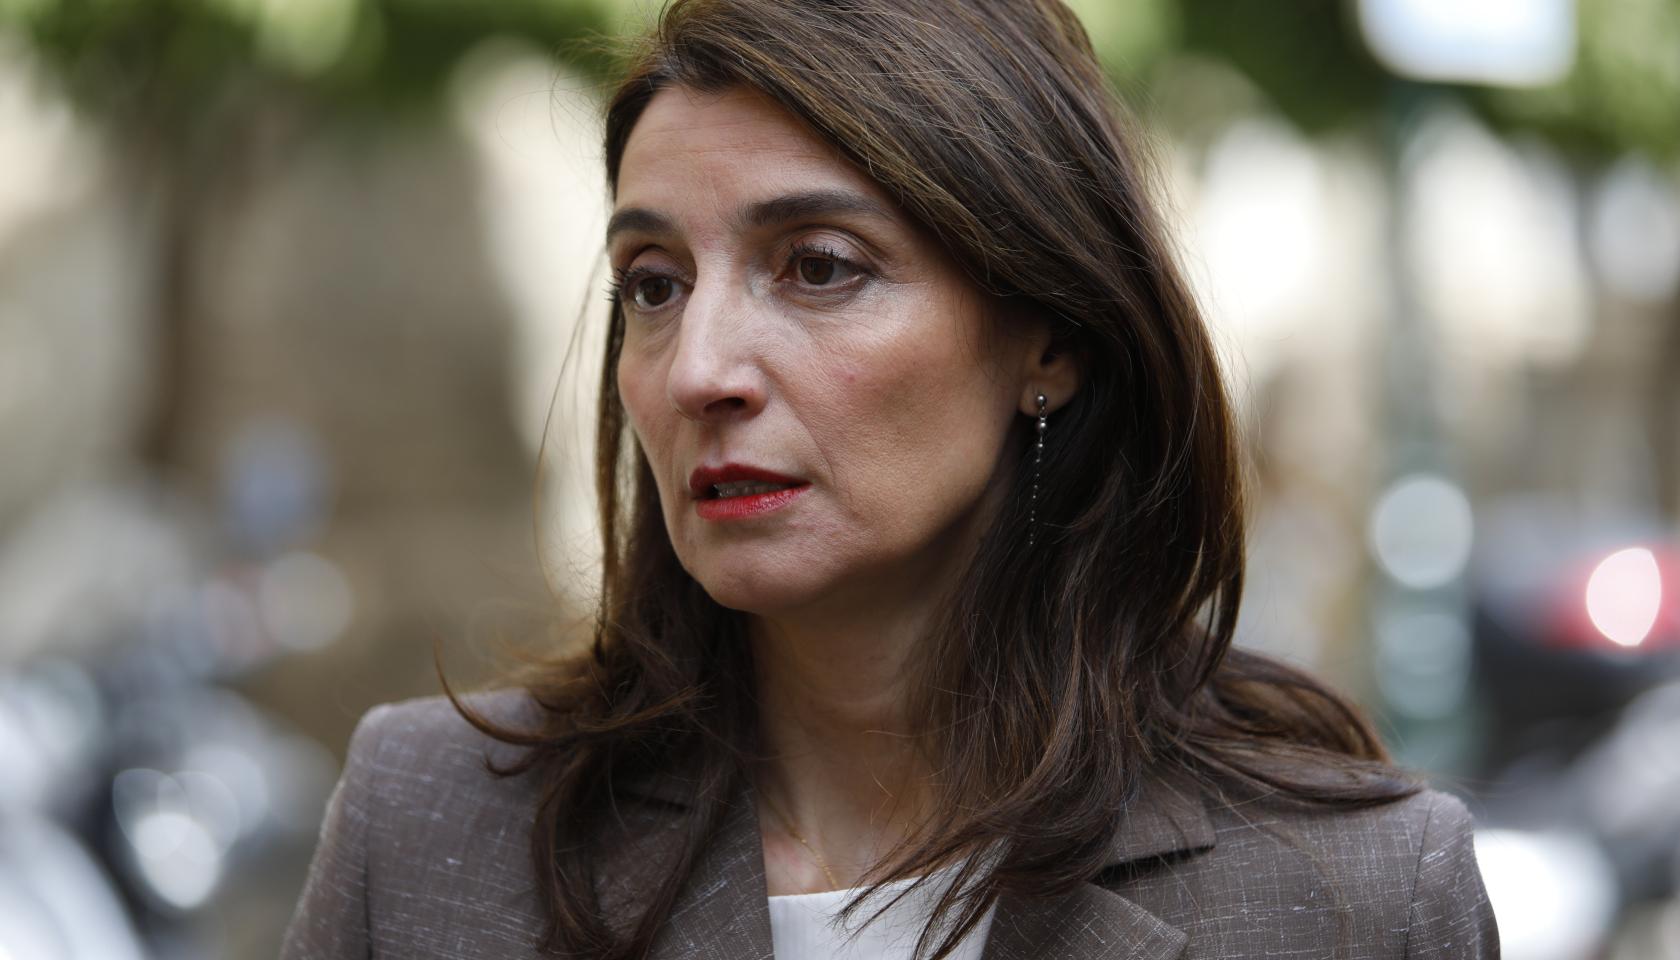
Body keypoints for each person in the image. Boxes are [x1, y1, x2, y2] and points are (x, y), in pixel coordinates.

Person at [281, 0, 1499, 958]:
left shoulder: (1347, 898)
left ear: (1050, 340)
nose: (698, 369)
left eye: (817, 267)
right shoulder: (429, 828)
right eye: (654, 284)